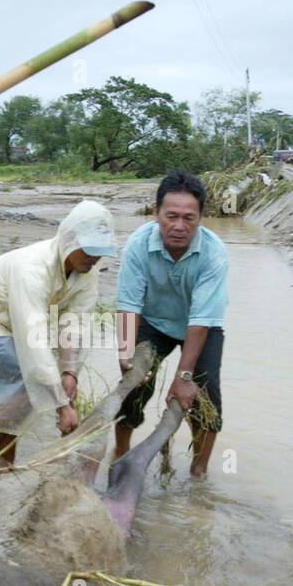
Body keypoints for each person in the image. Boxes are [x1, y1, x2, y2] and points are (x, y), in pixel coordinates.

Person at [0, 200, 117, 470]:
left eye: (100, 252)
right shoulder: (33, 269)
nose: (93, 258)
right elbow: (35, 344)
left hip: (8, 328)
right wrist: (62, 406)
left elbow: (75, 323)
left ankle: (4, 457)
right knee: (27, 379)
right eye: (89, 249)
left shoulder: (87, 273)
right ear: (68, 240)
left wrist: (69, 372)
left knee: (28, 386)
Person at [114, 170, 228, 479]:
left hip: (201, 325)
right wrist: (126, 354)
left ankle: (199, 471)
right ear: (156, 213)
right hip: (152, 320)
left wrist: (185, 376)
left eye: (189, 218)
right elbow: (128, 305)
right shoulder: (138, 245)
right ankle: (120, 455)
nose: (179, 226)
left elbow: (201, 320)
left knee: (206, 397)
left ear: (201, 217)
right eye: (171, 216)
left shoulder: (214, 253)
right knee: (132, 389)